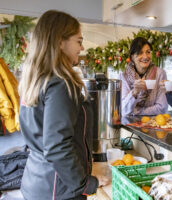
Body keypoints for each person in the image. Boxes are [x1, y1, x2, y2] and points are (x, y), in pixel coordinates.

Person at [18, 10, 108, 200]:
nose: (82, 48)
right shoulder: (60, 84)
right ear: (60, 42)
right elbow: (57, 146)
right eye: (79, 41)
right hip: (59, 189)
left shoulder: (35, 80)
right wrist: (86, 183)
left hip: (37, 182)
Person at [120, 37, 168, 116]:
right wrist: (134, 92)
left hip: (153, 124)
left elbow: (162, 107)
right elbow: (123, 110)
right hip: (131, 125)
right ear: (132, 57)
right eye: (140, 53)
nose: (145, 57)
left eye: (148, 52)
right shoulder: (123, 76)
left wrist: (136, 111)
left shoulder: (160, 73)